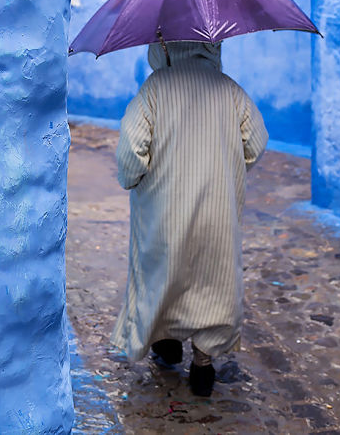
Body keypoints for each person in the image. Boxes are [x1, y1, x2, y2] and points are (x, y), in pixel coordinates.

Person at [111, 40, 268, 397]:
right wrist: (227, 167)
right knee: (213, 282)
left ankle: (166, 343)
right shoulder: (229, 90)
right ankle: (203, 363)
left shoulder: (155, 90)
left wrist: (131, 179)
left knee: (163, 276)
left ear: (163, 45)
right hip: (218, 212)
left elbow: (131, 152)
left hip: (163, 212)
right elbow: (256, 142)